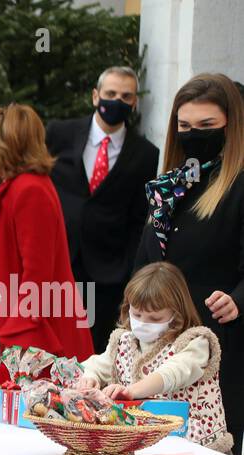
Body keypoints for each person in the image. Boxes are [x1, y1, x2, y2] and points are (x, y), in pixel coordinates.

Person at [133, 73, 244, 455]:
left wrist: (238, 299)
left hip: (214, 354)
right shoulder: (169, 188)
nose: (194, 134)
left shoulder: (238, 186)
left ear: (232, 125)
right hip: (154, 350)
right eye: (184, 126)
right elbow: (143, 268)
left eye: (207, 126)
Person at [46, 66, 160, 353]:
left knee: (93, 352)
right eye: (110, 93)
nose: (116, 101)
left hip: (107, 275)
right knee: (53, 346)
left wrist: (127, 271)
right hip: (58, 263)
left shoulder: (146, 153)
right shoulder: (59, 133)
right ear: (95, 96)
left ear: (134, 103)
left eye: (125, 96)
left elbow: (138, 218)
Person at [0, 103, 94, 359]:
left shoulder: (29, 189)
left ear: (4, 147)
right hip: (27, 330)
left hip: (37, 339)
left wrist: (12, 339)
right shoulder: (22, 184)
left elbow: (37, 278)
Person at [78, 262, 230, 453]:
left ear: (176, 313)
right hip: (147, 447)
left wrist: (131, 392)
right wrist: (90, 378)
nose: (142, 323)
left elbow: (172, 373)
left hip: (198, 449)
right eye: (137, 314)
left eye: (155, 318)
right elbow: (98, 365)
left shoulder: (195, 342)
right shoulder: (123, 340)